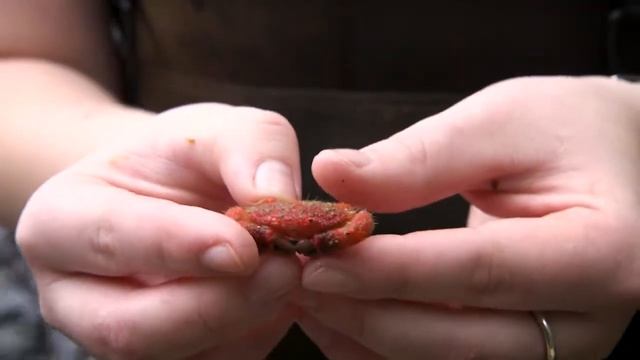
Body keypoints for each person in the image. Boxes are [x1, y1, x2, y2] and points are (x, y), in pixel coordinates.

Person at [1, 0, 640, 359]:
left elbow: (361, 219)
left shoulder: (339, 217)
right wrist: (123, 183)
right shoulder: (251, 217)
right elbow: (19, 62)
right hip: (189, 307)